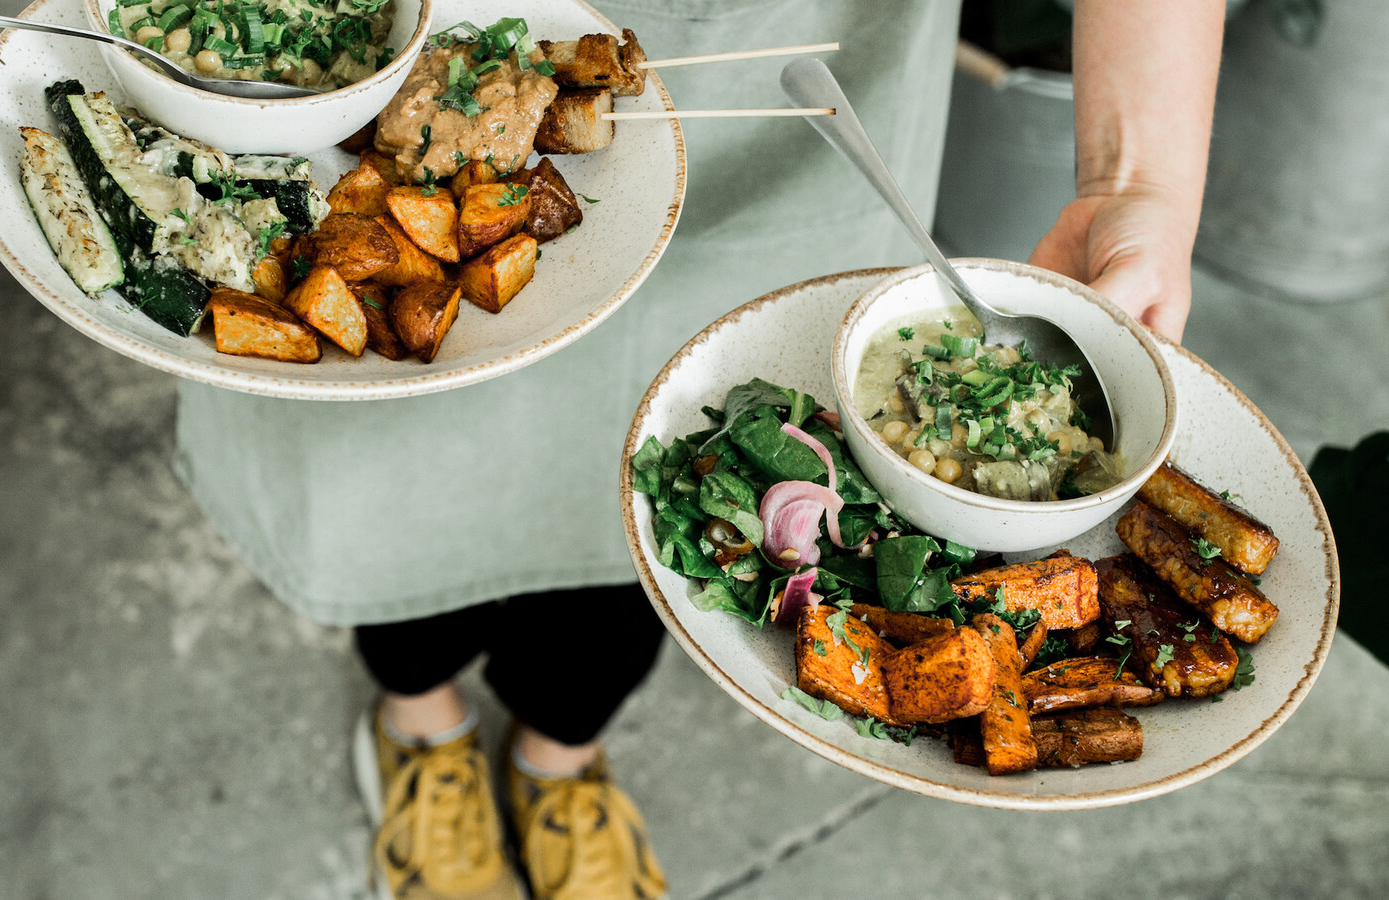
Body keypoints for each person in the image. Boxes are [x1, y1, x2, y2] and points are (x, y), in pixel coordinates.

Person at [171, 2, 1224, 898]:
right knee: (390, 458)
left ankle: (560, 746)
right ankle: (418, 724)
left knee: (697, 478)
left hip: (780, 68)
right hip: (396, 49)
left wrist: (1137, 180)